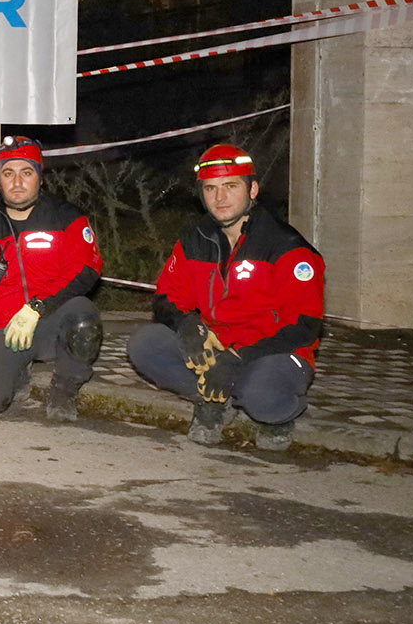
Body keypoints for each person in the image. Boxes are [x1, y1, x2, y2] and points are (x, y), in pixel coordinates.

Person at [127, 143, 325, 447]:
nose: (219, 198)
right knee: (145, 344)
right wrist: (186, 324)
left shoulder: (287, 248)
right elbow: (167, 296)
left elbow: (304, 327)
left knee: (260, 394)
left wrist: (237, 358)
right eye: (210, 188)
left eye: (231, 186)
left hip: (273, 352)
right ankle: (215, 401)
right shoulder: (195, 239)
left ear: (253, 189)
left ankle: (281, 415)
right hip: (217, 345)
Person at [0, 137, 105, 421]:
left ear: (40, 177)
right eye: (8, 173)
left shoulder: (66, 217)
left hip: (50, 320)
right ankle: (17, 373)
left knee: (83, 315)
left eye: (27, 172)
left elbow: (86, 270)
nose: (17, 182)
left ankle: (65, 387)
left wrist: (37, 307)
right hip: (0, 326)